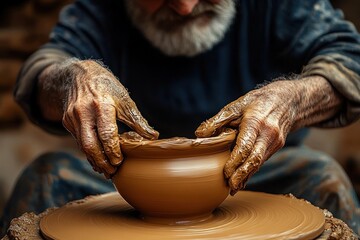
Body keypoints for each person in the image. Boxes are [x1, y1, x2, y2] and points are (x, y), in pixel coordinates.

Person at [1, 0, 360, 236]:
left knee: (324, 177)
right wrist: (73, 79)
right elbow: (40, 72)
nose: (186, 6)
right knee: (45, 176)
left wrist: (292, 100)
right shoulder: (102, 9)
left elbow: (350, 60)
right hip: (123, 180)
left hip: (254, 173)